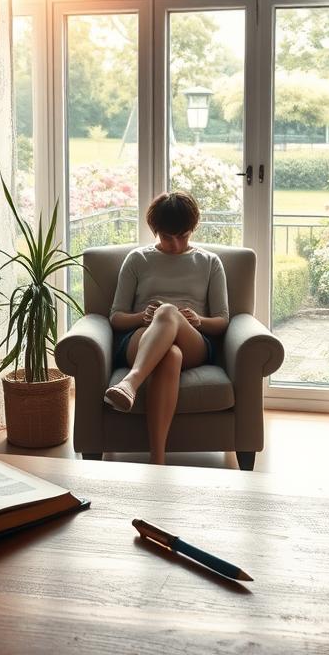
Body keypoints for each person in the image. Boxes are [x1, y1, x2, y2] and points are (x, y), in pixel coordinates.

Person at [106, 191, 229, 464]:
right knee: (170, 355)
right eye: (166, 237)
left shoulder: (209, 263)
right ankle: (158, 460)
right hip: (141, 338)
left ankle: (130, 382)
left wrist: (198, 321)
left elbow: (222, 321)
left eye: (183, 235)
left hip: (193, 341)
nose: (175, 244)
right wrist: (142, 317)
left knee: (169, 311)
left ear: (193, 228)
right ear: (155, 230)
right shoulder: (138, 260)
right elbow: (116, 317)